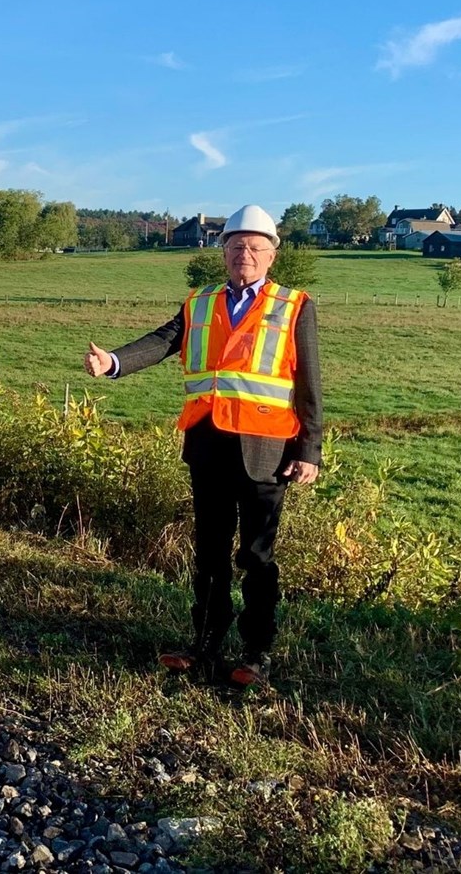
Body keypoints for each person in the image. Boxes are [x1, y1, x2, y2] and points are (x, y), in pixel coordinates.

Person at [82, 204, 322, 686]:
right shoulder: (201, 301)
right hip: (209, 444)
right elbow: (164, 340)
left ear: (272, 255)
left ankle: (256, 652)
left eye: (255, 247)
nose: (245, 255)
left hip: (268, 450)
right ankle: (205, 644)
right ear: (223, 252)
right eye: (236, 247)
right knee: (209, 551)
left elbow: (309, 380)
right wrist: (113, 361)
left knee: (257, 555)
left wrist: (309, 449)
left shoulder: (294, 304)